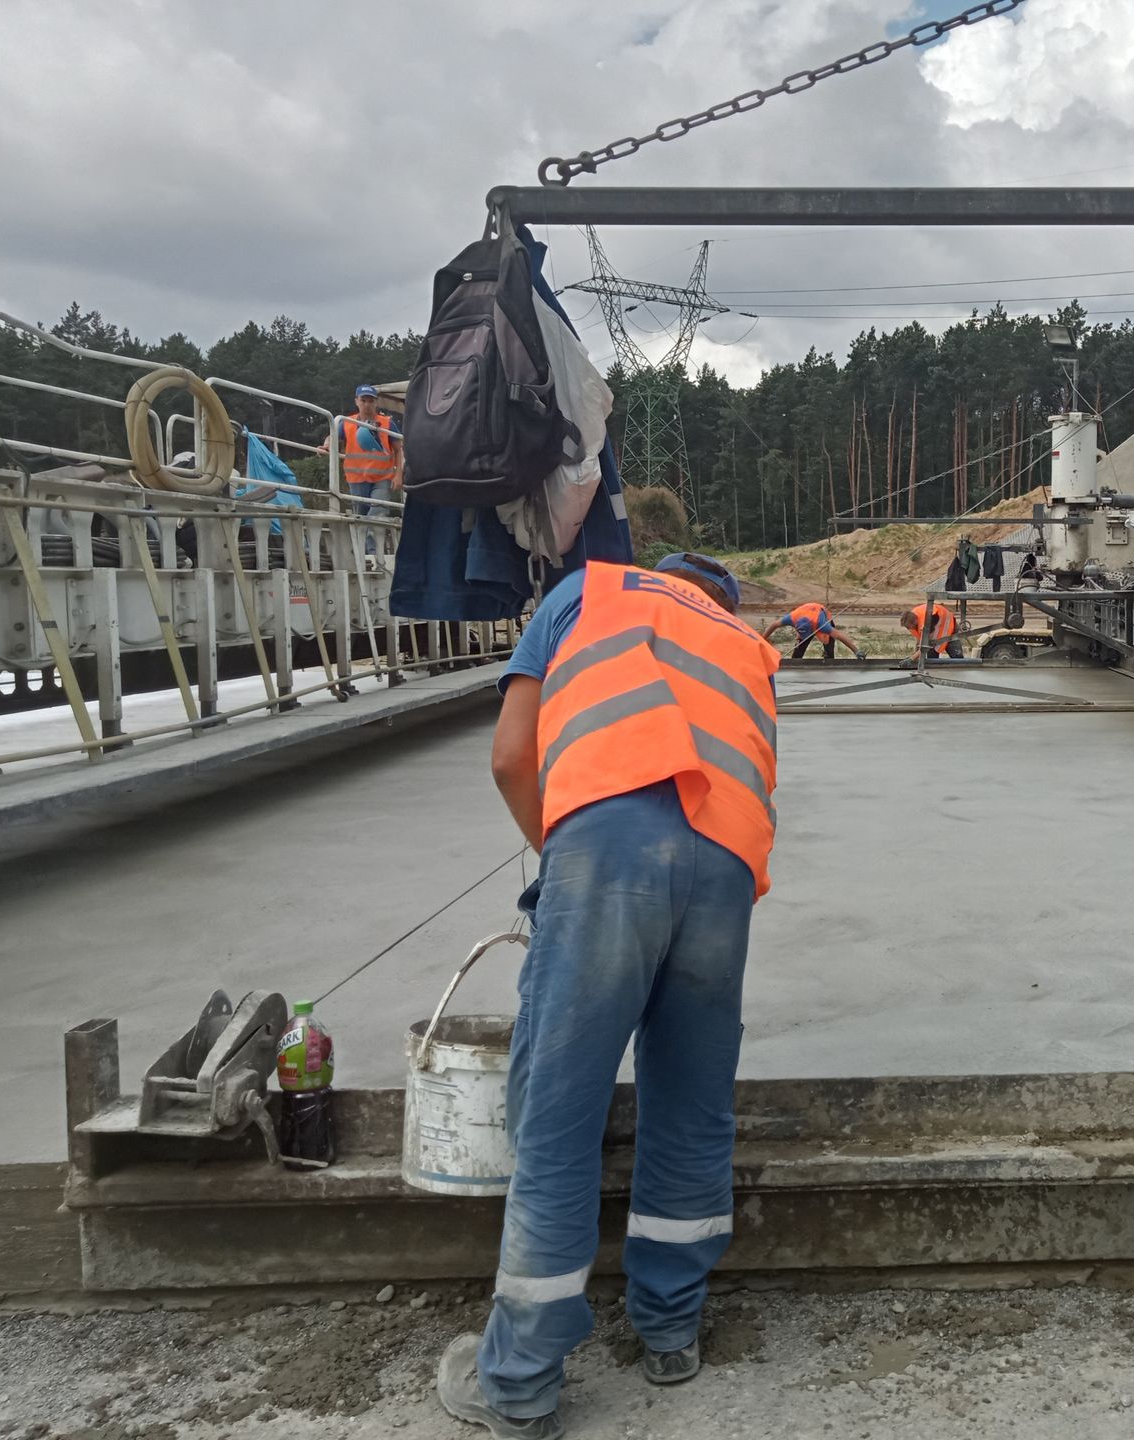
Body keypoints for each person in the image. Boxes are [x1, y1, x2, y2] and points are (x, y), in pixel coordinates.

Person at [436, 551, 780, 1440]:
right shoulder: (747, 644)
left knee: (558, 1111)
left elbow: (512, 757)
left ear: (661, 573)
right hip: (727, 865)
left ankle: (520, 1384)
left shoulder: (590, 590)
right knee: (692, 1102)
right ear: (722, 599)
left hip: (608, 843)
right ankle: (669, 1332)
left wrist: (564, 855)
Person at [317, 384, 401, 558]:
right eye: (363, 400)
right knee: (360, 517)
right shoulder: (346, 422)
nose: (367, 405)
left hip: (382, 477)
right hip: (356, 477)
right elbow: (332, 436)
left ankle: (372, 554)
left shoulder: (387, 423)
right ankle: (362, 554)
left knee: (378, 511)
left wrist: (398, 474)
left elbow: (398, 449)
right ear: (357, 401)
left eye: (371, 401)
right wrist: (326, 446)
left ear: (376, 403)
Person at [764, 601, 863, 661]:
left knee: (829, 646)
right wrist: (762, 639)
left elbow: (840, 636)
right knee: (799, 648)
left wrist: (856, 651)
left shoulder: (822, 625)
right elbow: (774, 625)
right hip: (805, 612)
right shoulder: (791, 618)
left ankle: (828, 661)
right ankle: (795, 661)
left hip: (819, 612)